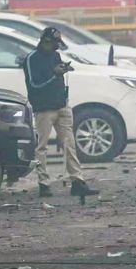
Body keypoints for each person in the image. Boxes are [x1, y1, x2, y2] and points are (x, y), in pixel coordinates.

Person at [23, 27, 98, 198]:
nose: (57, 47)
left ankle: (77, 181)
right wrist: (53, 74)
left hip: (62, 106)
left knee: (69, 145)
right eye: (55, 44)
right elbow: (34, 85)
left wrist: (62, 71)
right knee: (41, 147)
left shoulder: (55, 56)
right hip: (44, 109)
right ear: (46, 41)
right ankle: (43, 184)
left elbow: (56, 77)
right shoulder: (31, 59)